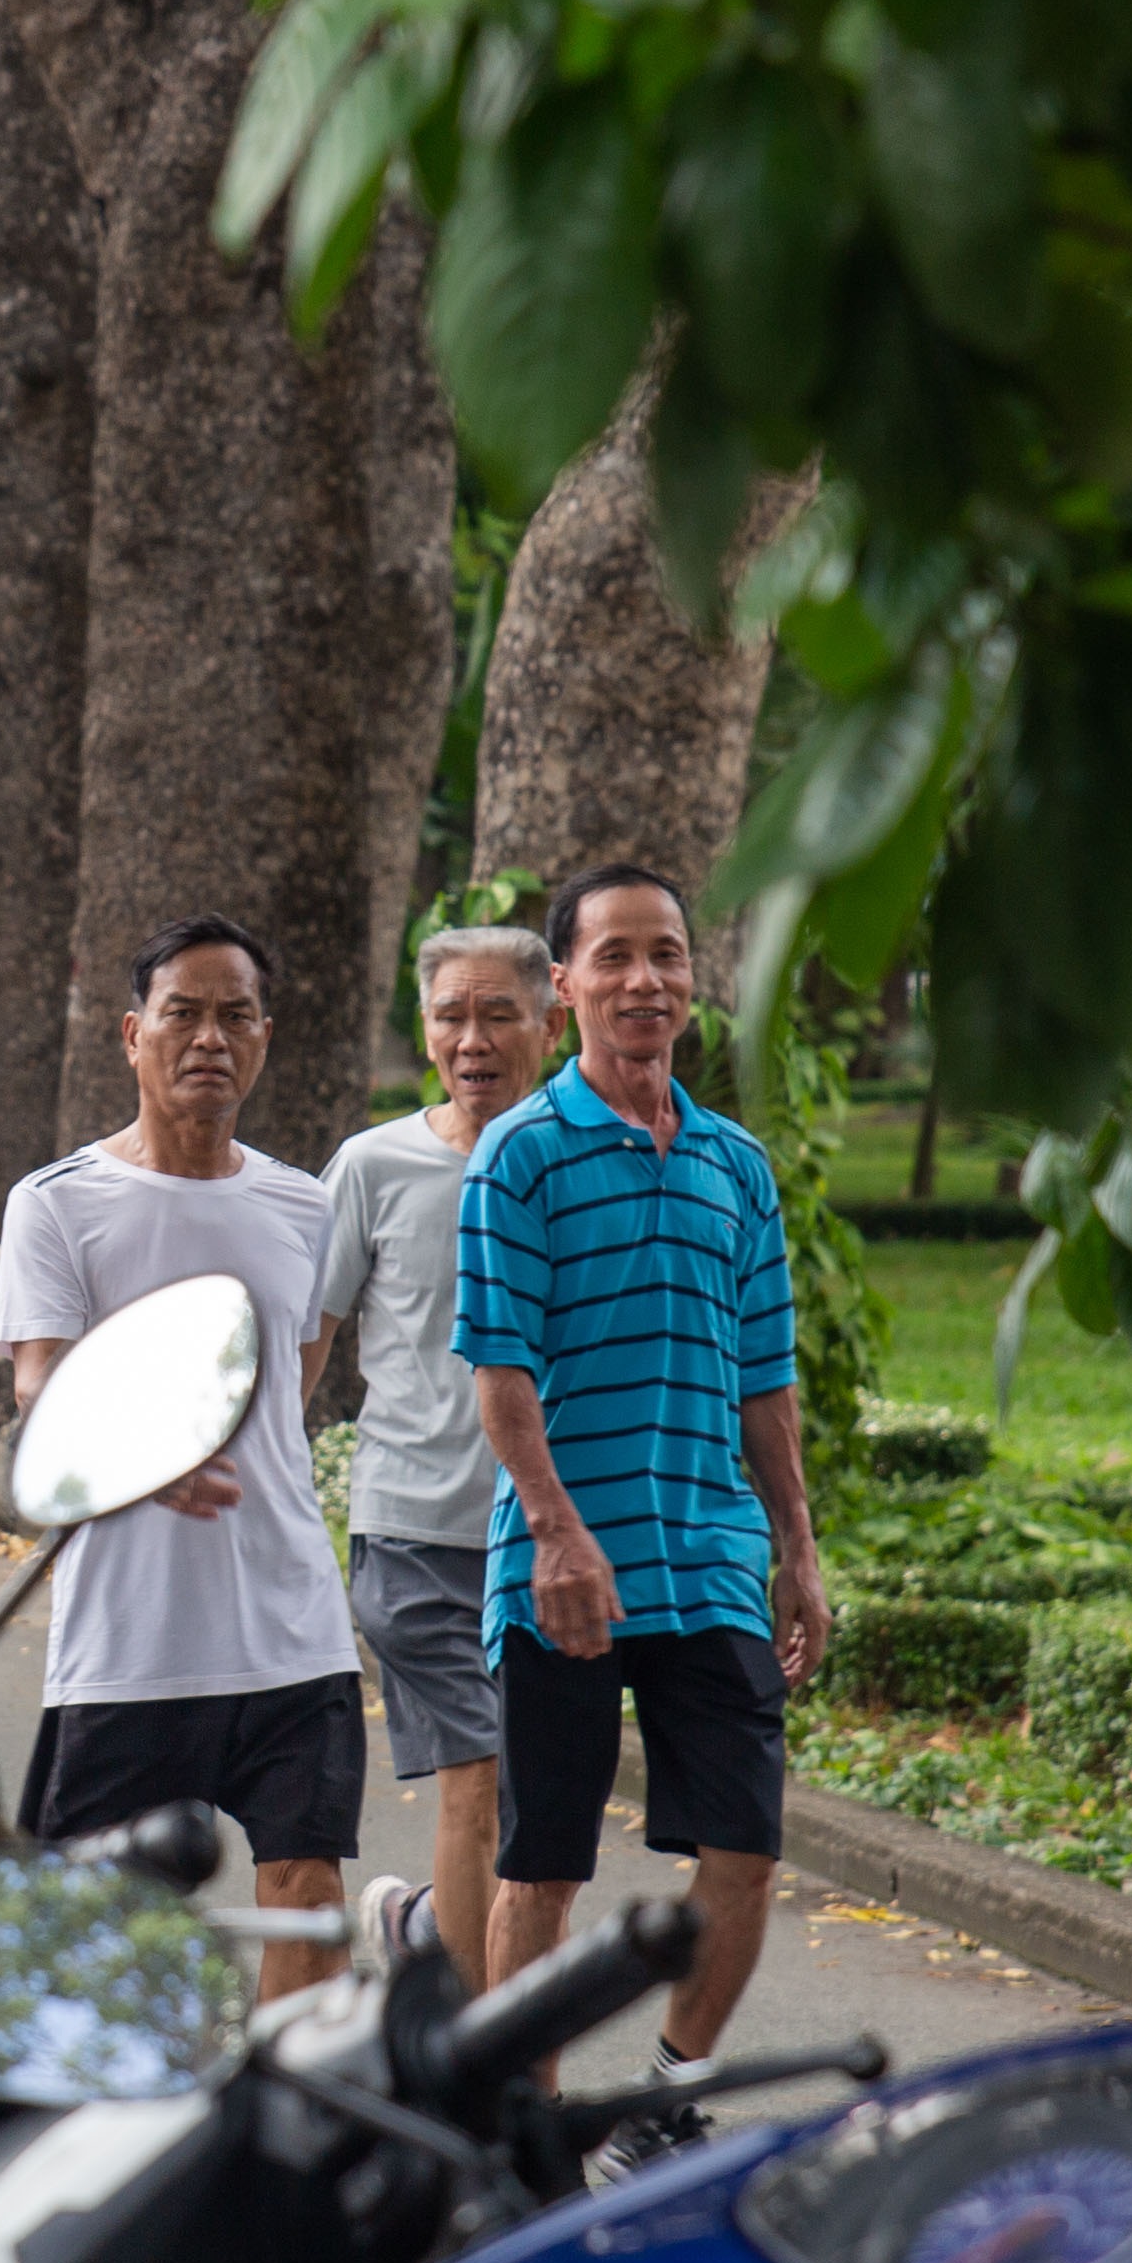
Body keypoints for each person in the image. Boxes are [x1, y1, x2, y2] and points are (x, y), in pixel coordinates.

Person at [455, 862, 831, 2102]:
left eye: (664, 953)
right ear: (563, 987)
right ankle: (526, 2130)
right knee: (544, 1868)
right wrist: (557, 1536)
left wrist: (800, 1550)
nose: (644, 979)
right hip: (562, 1571)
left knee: (746, 1849)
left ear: (691, 978)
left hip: (711, 1559)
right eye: (613, 956)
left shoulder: (737, 1167)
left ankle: (667, 2108)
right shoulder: (518, 1157)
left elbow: (765, 1381)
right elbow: (500, 1375)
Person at [0, 916, 356, 1996]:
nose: (209, 1038)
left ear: (265, 1036)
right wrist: (147, 1451)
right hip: (131, 1634)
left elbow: (292, 1385)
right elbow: (38, 1386)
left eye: (234, 1015)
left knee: (307, 1888)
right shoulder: (58, 1203)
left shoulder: (302, 1203)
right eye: (182, 1013)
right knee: (106, 1916)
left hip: (293, 1623)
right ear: (131, 1033)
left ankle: (279, 2142)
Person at [319, 925, 558, 1995]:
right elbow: (303, 1345)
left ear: (548, 1024)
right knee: (483, 1779)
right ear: (425, 1031)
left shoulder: (583, 1162)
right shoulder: (372, 1168)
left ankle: (426, 1932)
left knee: (535, 1803)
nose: (474, 1040)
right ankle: (470, 2058)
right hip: (414, 1535)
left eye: (498, 1014)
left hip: (552, 1543)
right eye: (453, 1017)